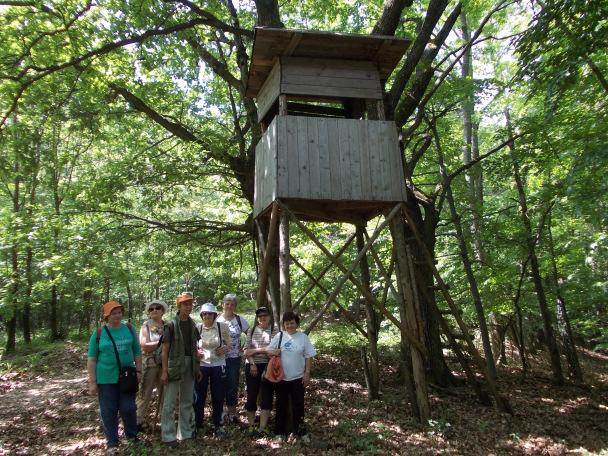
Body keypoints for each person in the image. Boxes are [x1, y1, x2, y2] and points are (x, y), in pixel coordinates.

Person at [87, 301, 142, 454]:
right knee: (108, 411)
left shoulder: (129, 329)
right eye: (114, 313)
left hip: (127, 377)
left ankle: (132, 437)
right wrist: (92, 381)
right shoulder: (99, 333)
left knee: (129, 408)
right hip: (105, 379)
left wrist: (139, 371)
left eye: (119, 312)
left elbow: (137, 352)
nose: (118, 315)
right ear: (107, 316)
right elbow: (92, 359)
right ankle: (112, 442)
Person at [160, 292, 201, 446]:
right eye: (185, 304)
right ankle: (168, 436)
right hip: (174, 365)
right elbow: (165, 350)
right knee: (169, 402)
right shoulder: (170, 325)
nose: (188, 306)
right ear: (179, 305)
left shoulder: (192, 325)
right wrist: (164, 371)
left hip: (190, 364)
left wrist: (197, 368)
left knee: (187, 400)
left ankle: (185, 432)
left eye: (190, 304)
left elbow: (195, 348)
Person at [266, 311, 316, 440]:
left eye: (292, 323)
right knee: (280, 405)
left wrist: (307, 373)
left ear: (297, 324)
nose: (289, 326)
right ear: (283, 324)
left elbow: (309, 356)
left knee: (298, 405)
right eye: (287, 323)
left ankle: (300, 431)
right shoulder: (279, 336)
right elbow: (269, 351)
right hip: (281, 378)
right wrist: (274, 352)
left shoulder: (303, 337)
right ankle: (279, 433)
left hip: (298, 378)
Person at [194, 303, 231, 437]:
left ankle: (218, 424)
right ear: (201, 315)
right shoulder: (197, 328)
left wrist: (225, 348)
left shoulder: (222, 327)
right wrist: (196, 352)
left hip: (218, 364)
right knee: (199, 396)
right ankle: (198, 424)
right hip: (202, 365)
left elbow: (229, 344)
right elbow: (192, 346)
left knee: (218, 395)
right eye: (204, 314)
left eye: (210, 313)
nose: (207, 316)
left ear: (214, 315)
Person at [243, 306, 279, 436]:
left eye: (265, 315)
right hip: (252, 366)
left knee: (267, 397)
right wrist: (261, 352)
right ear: (257, 318)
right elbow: (246, 351)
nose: (263, 318)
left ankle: (262, 427)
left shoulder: (275, 330)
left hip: (268, 366)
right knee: (251, 396)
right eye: (260, 316)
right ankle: (251, 426)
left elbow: (276, 351)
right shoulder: (251, 330)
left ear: (269, 317)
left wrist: (257, 350)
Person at [216, 293, 249, 424]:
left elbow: (250, 332)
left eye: (232, 304)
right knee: (219, 385)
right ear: (223, 304)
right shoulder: (216, 319)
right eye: (227, 303)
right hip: (217, 359)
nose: (229, 306)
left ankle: (232, 413)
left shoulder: (239, 320)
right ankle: (220, 412)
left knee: (232, 385)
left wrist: (245, 346)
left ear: (235, 306)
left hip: (234, 358)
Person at [136, 299, 167, 431]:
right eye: (151, 309)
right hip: (150, 364)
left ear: (162, 311)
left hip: (164, 365)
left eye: (157, 308)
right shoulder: (146, 326)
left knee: (165, 394)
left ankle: (165, 420)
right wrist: (162, 342)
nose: (154, 310)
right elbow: (144, 346)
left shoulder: (167, 325)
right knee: (145, 393)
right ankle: (137, 421)